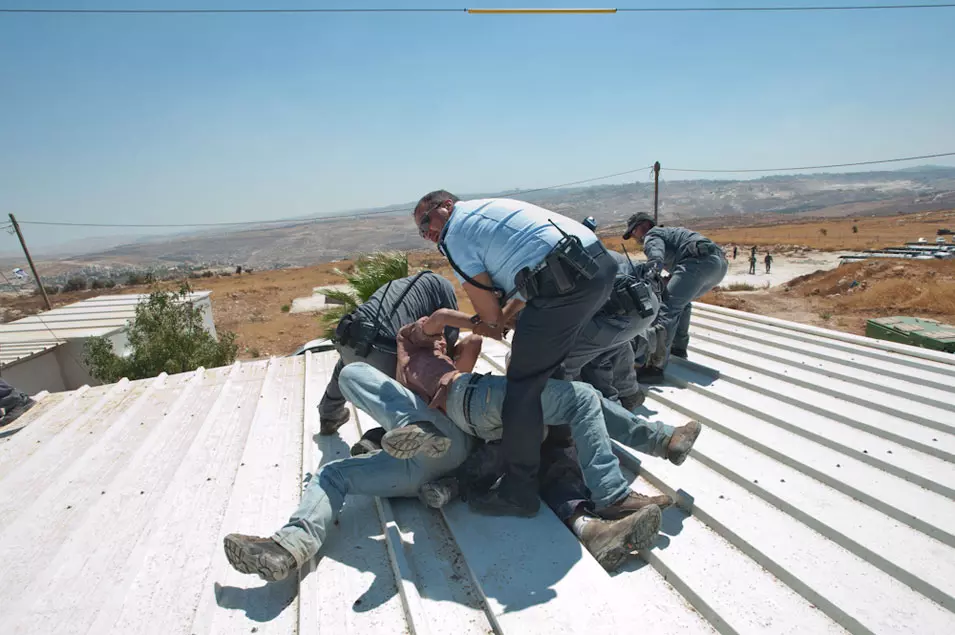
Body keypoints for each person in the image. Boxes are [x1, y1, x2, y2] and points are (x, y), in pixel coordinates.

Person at [222, 317, 700, 581]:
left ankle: (294, 543)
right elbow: (449, 340)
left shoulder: (438, 372)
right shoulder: (414, 359)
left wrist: (463, 338)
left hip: (440, 444)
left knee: (336, 457)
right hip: (437, 456)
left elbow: (464, 350)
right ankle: (286, 549)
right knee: (354, 450)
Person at [414, 192, 617, 517]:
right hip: (595, 270)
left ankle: (518, 492)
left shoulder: (455, 234)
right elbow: (528, 279)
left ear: (446, 207)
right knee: (550, 373)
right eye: (420, 232)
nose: (427, 234)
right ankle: (566, 453)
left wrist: (492, 322)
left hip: (562, 286)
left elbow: (490, 315)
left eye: (426, 221)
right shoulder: (485, 211)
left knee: (521, 390)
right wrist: (504, 316)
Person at [318, 271, 458, 434]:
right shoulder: (444, 288)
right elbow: (451, 335)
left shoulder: (400, 284)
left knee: (344, 365)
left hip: (348, 337)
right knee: (414, 392)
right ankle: (377, 439)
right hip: (384, 351)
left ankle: (329, 416)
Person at [622, 213, 728, 383]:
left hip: (697, 263)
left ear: (642, 227)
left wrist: (650, 276)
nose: (635, 238)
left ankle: (654, 368)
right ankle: (678, 349)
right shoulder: (671, 234)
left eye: (633, 233)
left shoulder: (652, 235)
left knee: (667, 308)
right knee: (682, 304)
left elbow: (656, 256)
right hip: (718, 265)